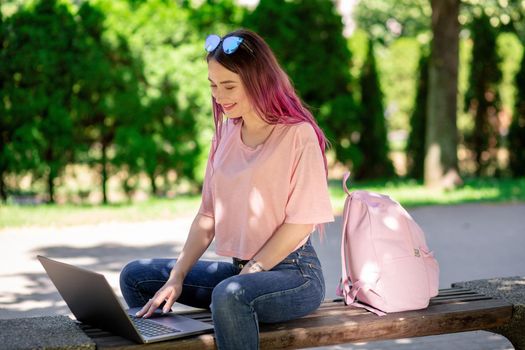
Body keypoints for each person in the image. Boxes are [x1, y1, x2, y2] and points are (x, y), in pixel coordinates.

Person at [119, 28, 334, 350]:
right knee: (137, 275)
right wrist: (176, 277)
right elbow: (207, 215)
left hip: (294, 274)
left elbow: (301, 222)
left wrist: (251, 272)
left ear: (259, 81)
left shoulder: (297, 135)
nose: (219, 96)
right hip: (240, 271)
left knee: (231, 294)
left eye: (229, 85)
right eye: (213, 85)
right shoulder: (225, 135)